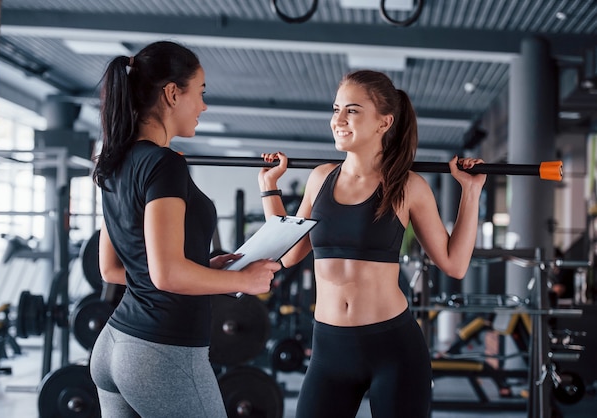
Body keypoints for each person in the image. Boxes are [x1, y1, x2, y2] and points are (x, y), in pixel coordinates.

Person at [259, 70, 487, 418]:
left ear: (384, 122)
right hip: (329, 350)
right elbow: (288, 255)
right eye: (336, 109)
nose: (338, 120)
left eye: (352, 110)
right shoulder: (320, 178)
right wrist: (269, 188)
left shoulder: (409, 186)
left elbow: (454, 264)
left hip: (392, 348)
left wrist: (470, 192)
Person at [89, 41, 281, 418]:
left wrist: (204, 268)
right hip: (160, 353)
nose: (204, 106)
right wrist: (244, 282)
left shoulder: (115, 160)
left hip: (114, 345)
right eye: (201, 93)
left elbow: (112, 269)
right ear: (173, 93)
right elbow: (166, 274)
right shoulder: (164, 166)